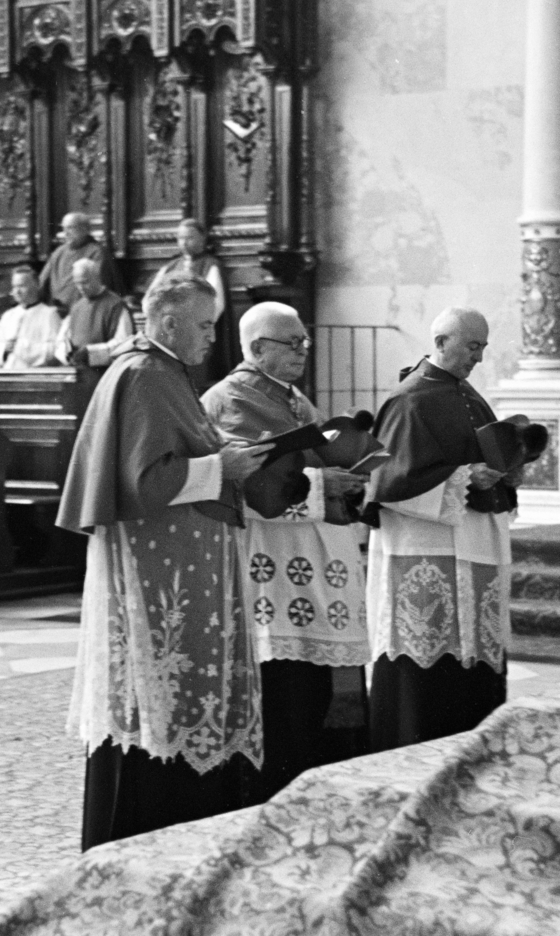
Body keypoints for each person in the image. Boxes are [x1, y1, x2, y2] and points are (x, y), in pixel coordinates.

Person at [59, 272, 273, 850]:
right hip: (162, 573)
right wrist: (220, 468)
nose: (211, 338)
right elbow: (146, 481)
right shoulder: (146, 375)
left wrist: (223, 462)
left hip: (180, 564)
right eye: (204, 325)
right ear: (169, 323)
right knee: (160, 707)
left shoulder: (163, 373)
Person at [200, 303, 372, 798]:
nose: (303, 350)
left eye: (304, 342)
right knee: (284, 695)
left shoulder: (292, 398)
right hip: (271, 571)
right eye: (291, 343)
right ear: (256, 349)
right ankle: (273, 792)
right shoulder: (231, 399)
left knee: (312, 692)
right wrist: (322, 482)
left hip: (312, 565)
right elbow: (247, 487)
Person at [364, 307, 523, 752]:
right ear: (441, 342)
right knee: (427, 672)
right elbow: (388, 485)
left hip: (473, 545)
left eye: (483, 347)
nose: (479, 357)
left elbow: (479, 459)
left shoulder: (465, 395)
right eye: (473, 346)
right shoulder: (409, 399)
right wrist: (464, 477)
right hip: (427, 551)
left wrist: (506, 471)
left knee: (472, 677)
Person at [151, 219, 236, 386]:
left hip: (196, 335)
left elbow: (215, 305)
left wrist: (191, 324)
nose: (184, 242)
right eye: (180, 238)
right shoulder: (170, 267)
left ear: (202, 239)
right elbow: (151, 298)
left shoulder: (210, 266)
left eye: (189, 237)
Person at [55, 259, 133, 369]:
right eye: (77, 283)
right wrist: (66, 353)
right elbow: (62, 340)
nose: (80, 288)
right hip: (78, 373)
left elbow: (123, 344)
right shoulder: (76, 307)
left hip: (105, 373)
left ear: (97, 277)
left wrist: (90, 353)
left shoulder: (115, 305)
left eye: (85, 282)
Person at [39, 212, 120, 310]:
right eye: (63, 229)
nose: (66, 233)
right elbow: (42, 281)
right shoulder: (59, 252)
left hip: (85, 309)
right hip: (56, 311)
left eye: (70, 228)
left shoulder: (97, 252)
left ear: (85, 229)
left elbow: (97, 285)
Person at [0, 265, 61, 368]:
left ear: (36, 285)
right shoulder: (8, 316)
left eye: (22, 286)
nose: (17, 291)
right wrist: (5, 350)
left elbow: (53, 350)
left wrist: (22, 348)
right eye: (14, 286)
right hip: (9, 373)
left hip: (35, 375)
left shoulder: (49, 314)